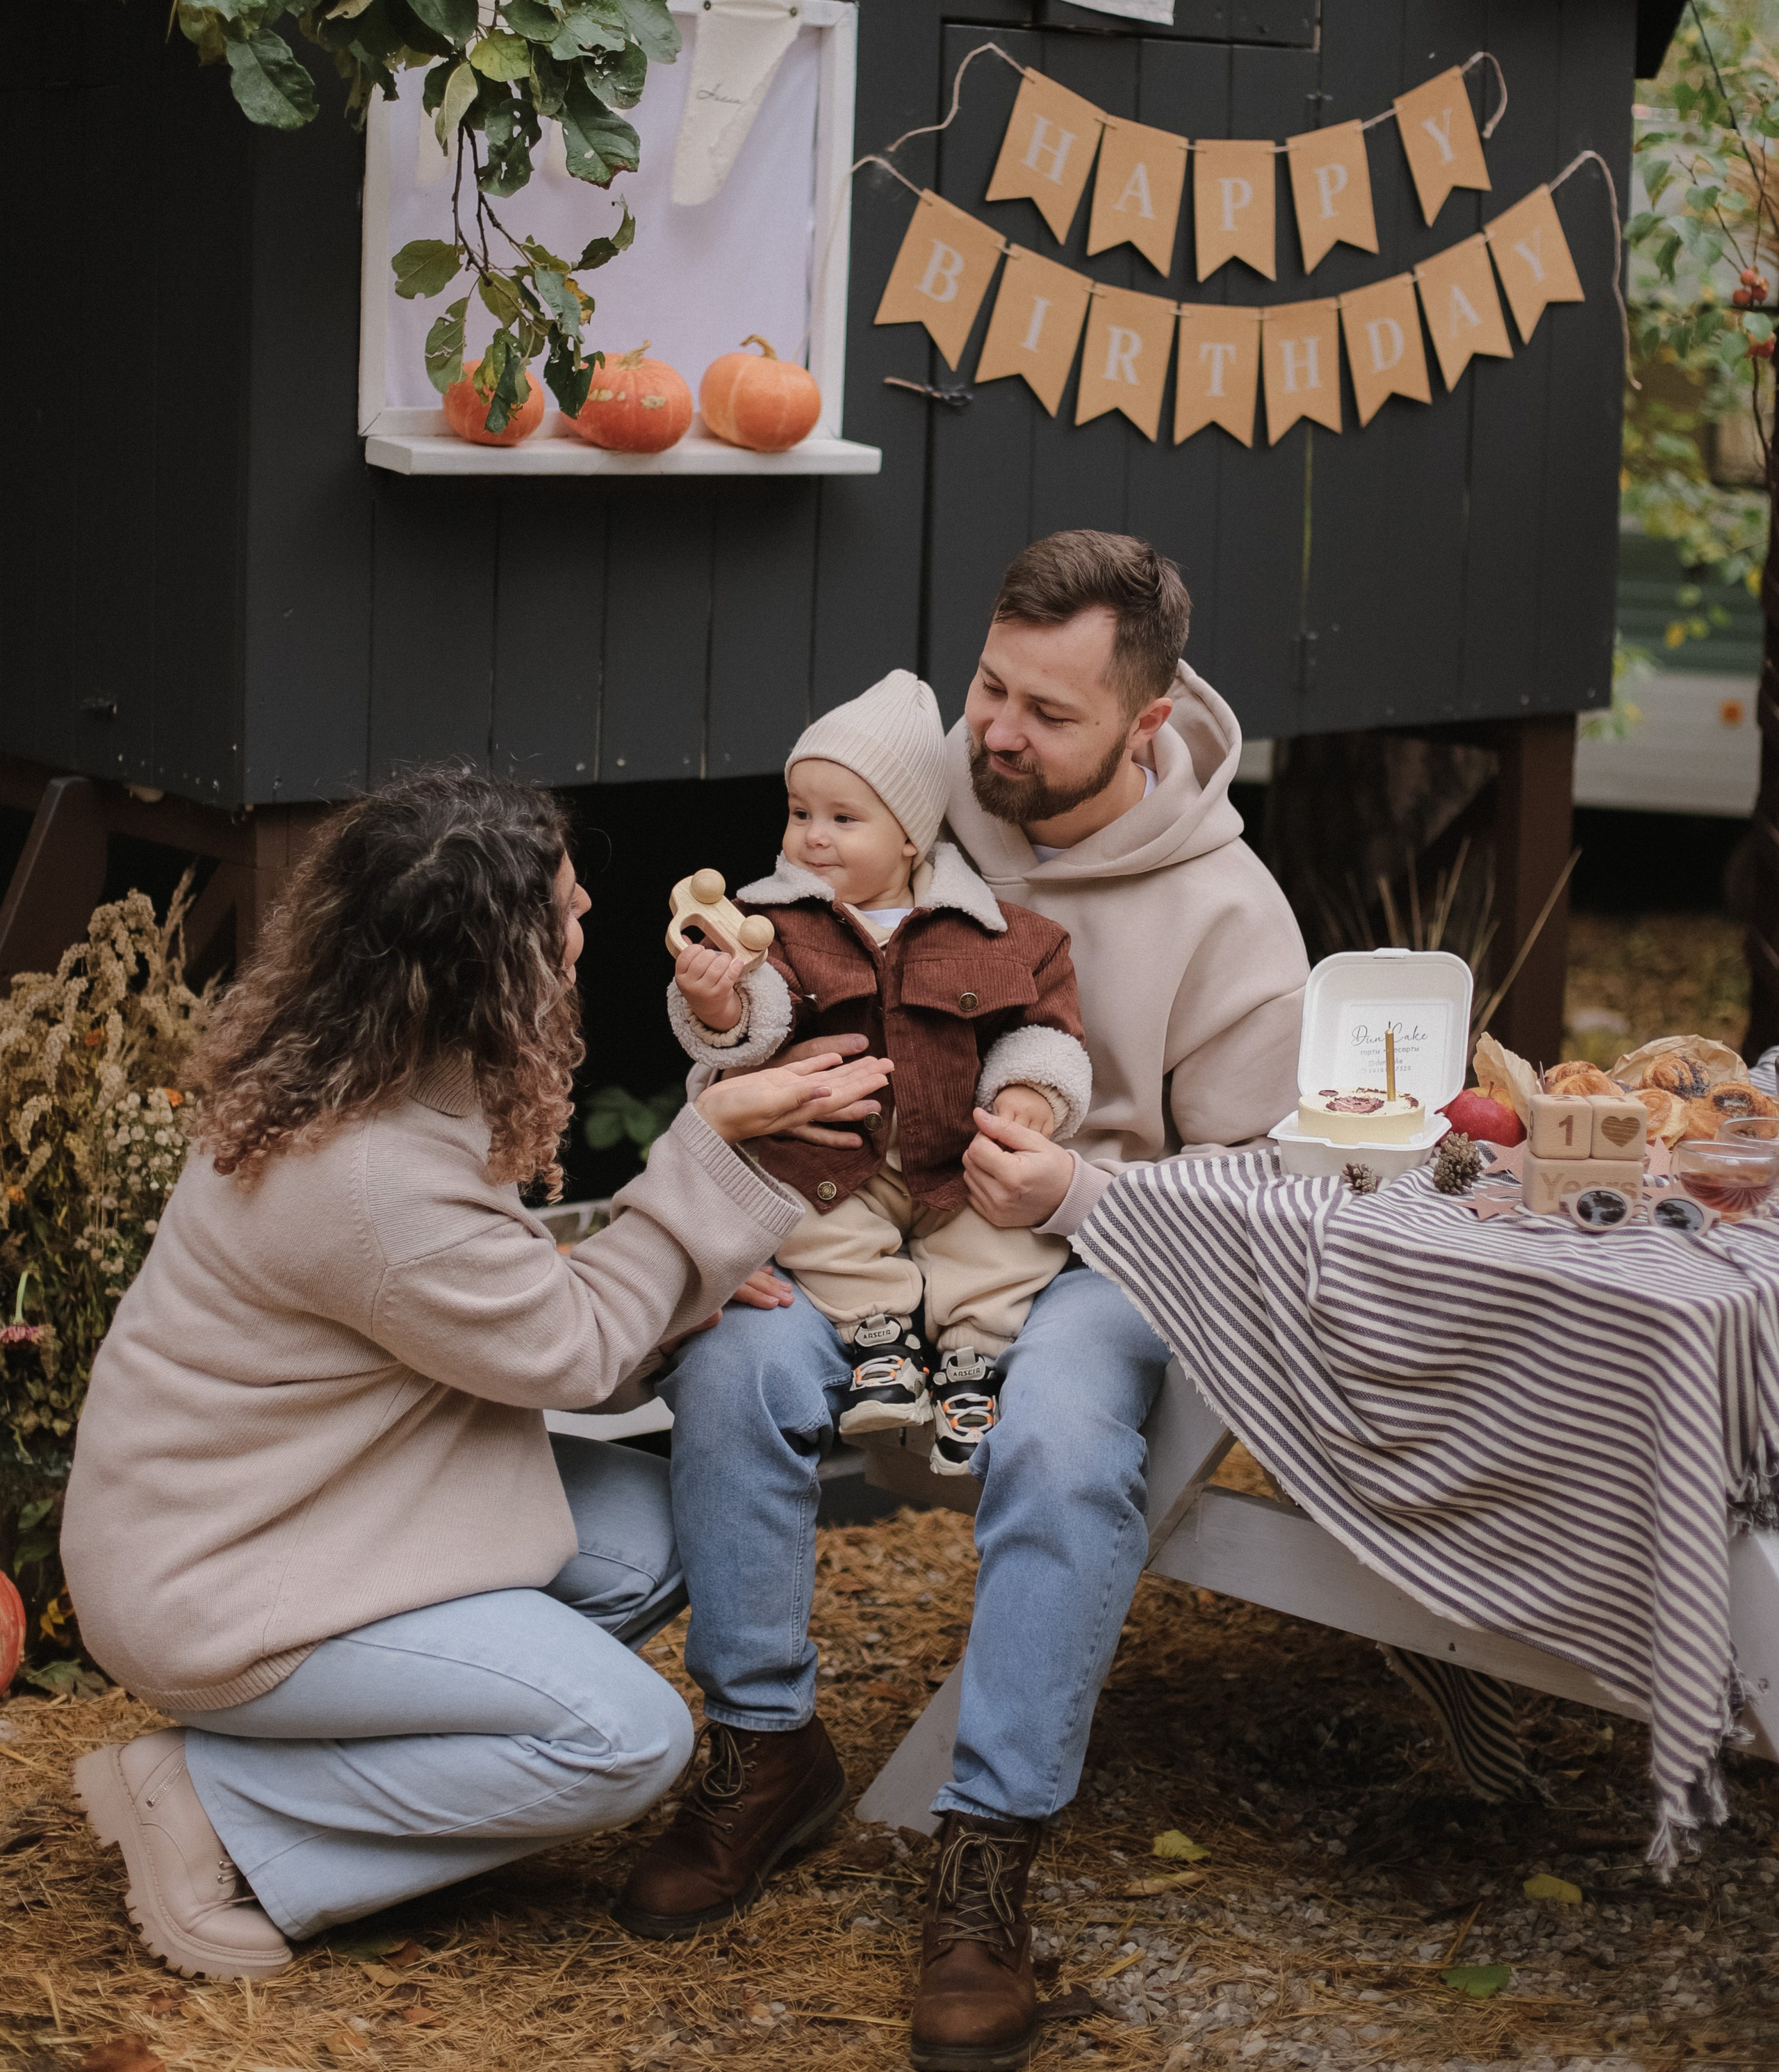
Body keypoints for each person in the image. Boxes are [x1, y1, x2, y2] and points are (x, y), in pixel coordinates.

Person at [623, 531, 1309, 2072]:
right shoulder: (919, 792)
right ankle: (764, 1752)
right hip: (860, 1207)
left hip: (1090, 1256)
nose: (992, 730)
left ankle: (983, 1854)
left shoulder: (1233, 919)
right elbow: (772, 947)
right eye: (988, 683)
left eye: (1043, 714)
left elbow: (1259, 1201)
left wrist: (1071, 1193)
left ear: (1143, 725)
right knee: (733, 1364)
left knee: (1063, 1446)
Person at [60, 768, 889, 1980]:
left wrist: (674, 1279)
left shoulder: (360, 1064)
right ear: (481, 966)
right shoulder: (367, 1180)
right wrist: (706, 1159)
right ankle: (217, 1801)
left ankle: (360, 1759)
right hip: (221, 1580)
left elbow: (519, 1320)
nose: (588, 907)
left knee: (659, 1539)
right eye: (560, 905)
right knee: (628, 1740)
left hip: (313, 1498)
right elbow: (577, 1353)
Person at [669, 669, 1093, 1475]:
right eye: (799, 814)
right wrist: (718, 1007)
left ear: (909, 834)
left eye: (842, 818)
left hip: (956, 1161)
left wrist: (1029, 1090)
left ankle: (971, 1358)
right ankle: (880, 1341)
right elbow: (762, 1024)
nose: (812, 837)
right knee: (798, 1217)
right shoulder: (771, 929)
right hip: (835, 1161)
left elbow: (1045, 1025)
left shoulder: (1002, 934)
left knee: (1005, 1239)